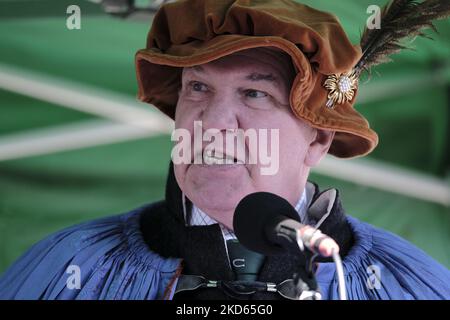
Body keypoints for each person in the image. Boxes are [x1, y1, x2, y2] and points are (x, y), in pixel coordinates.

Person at [1, 0, 449, 300]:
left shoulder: (409, 285)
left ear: (317, 138)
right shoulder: (68, 266)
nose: (212, 123)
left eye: (255, 94)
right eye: (197, 88)